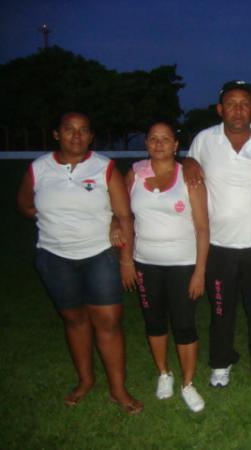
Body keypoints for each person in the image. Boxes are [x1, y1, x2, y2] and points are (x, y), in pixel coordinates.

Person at [16, 111, 143, 415]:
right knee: (74, 320)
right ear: (57, 134)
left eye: (83, 130)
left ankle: (117, 389)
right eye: (69, 129)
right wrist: (48, 218)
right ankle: (85, 381)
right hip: (54, 257)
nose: (76, 135)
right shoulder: (39, 168)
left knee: (109, 322)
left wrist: (126, 259)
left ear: (91, 136)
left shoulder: (104, 167)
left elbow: (124, 214)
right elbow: (24, 204)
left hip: (99, 254)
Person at [183, 80, 251, 398]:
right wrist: (187, 160)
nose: (238, 109)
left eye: (245, 103)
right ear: (220, 109)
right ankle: (220, 363)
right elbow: (189, 166)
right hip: (218, 247)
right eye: (231, 103)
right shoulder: (204, 140)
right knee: (220, 310)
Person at [124, 121, 209, 412]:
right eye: (153, 139)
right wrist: (124, 254)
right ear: (146, 143)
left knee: (184, 324)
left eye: (165, 139)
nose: (159, 144)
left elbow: (202, 227)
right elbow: (122, 215)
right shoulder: (134, 174)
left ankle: (187, 383)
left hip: (183, 264)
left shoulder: (189, 176)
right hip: (145, 263)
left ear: (175, 145)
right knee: (154, 322)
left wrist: (200, 271)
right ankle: (164, 373)